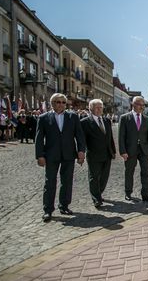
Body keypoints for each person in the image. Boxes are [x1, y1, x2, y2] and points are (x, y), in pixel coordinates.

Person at [35, 93, 86, 222]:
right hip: (51, 155)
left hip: (69, 154)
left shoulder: (73, 117)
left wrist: (81, 151)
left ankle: (64, 205)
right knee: (50, 182)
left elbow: (79, 135)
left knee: (67, 181)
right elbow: (39, 138)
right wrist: (39, 155)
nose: (61, 104)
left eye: (64, 102)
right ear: (52, 103)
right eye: (58, 102)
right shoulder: (44, 118)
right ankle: (48, 210)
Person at [118, 96, 148, 202]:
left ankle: (146, 193)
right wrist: (123, 151)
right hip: (130, 150)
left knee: (146, 171)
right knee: (129, 171)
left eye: (143, 105)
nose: (142, 107)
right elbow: (121, 136)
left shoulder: (147, 120)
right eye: (140, 104)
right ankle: (128, 193)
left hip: (144, 150)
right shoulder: (125, 118)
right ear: (133, 105)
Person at [81, 99, 116, 208]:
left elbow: (110, 138)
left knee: (104, 176)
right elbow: (82, 140)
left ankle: (99, 193)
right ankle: (96, 198)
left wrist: (113, 151)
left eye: (101, 107)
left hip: (107, 153)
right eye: (97, 107)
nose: (99, 109)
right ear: (90, 109)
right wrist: (81, 153)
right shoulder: (85, 122)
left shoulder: (106, 121)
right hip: (94, 154)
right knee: (94, 177)